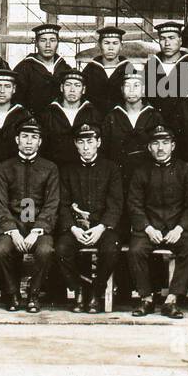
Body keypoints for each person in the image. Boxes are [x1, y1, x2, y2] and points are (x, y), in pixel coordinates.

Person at [127, 124, 188, 319]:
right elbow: (134, 205)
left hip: (177, 229)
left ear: (173, 146)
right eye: (156, 143)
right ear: (149, 147)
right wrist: (148, 228)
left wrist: (180, 228)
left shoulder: (186, 170)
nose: (160, 148)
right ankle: (147, 299)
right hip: (149, 229)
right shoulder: (141, 172)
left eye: (165, 143)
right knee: (135, 251)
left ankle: (172, 300)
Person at [0, 120, 60, 313]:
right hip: (13, 226)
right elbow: (1, 204)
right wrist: (12, 231)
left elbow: (52, 203)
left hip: (39, 227)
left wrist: (37, 231)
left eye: (34, 137)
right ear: (17, 140)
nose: (29, 142)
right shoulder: (4, 168)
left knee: (45, 250)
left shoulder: (50, 168)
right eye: (25, 137)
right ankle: (12, 293)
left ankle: (34, 294)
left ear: (40, 142)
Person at [54, 124, 123, 314]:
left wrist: (101, 227)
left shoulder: (111, 168)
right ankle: (78, 290)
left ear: (98, 143)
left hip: (102, 228)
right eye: (81, 142)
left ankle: (96, 291)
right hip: (76, 228)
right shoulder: (67, 170)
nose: (86, 147)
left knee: (111, 249)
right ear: (75, 144)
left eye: (90, 142)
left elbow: (116, 203)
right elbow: (63, 204)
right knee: (61, 249)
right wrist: (73, 228)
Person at [102, 69, 161, 180]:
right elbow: (104, 150)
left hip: (148, 176)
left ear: (143, 89)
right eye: (127, 86)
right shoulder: (112, 117)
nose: (132, 90)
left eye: (136, 86)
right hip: (118, 175)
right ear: (122, 89)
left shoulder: (154, 116)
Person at [38, 69, 102, 167]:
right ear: (61, 87)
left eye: (77, 85)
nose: (72, 90)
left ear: (83, 89)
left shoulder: (92, 113)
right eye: (68, 85)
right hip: (55, 167)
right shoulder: (49, 113)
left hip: (83, 169)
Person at [13, 23, 74, 112]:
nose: (48, 45)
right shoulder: (24, 68)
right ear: (36, 43)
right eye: (43, 40)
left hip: (59, 121)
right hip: (32, 122)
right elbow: (16, 102)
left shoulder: (65, 69)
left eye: (52, 40)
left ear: (57, 43)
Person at [143, 20, 188, 126]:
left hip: (185, 126)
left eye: (171, 38)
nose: (167, 43)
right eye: (163, 38)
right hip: (156, 125)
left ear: (180, 40)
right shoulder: (151, 66)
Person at [82, 25, 133, 111]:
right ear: (99, 45)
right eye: (106, 43)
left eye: (115, 43)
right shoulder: (90, 69)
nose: (110, 48)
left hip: (120, 120)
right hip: (94, 119)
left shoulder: (129, 69)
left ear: (121, 46)